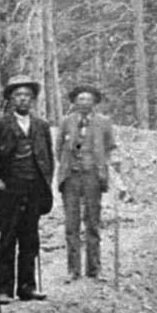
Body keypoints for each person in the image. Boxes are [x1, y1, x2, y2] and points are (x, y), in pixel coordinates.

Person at [0, 74, 54, 304]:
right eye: (18, 95)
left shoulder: (41, 126)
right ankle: (4, 290)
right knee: (8, 239)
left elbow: (48, 159)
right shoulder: (0, 125)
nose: (23, 100)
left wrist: (44, 183)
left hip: (33, 190)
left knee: (31, 239)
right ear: (10, 99)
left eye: (27, 95)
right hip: (9, 192)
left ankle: (28, 287)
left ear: (33, 99)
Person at [56, 84, 117, 281]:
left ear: (94, 103)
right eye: (80, 99)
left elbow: (110, 147)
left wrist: (104, 167)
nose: (84, 103)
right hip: (71, 177)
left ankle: (94, 269)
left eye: (88, 99)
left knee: (92, 222)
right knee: (71, 225)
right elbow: (59, 149)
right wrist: (68, 166)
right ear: (75, 102)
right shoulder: (66, 122)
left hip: (92, 177)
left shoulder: (104, 122)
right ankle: (73, 270)